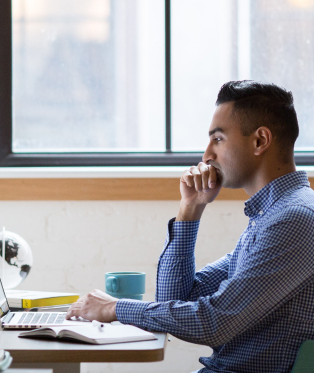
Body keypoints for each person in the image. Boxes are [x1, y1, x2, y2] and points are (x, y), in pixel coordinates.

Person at [66, 80, 314, 373]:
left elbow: (214, 323)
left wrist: (113, 308)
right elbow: (175, 299)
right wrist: (190, 209)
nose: (206, 155)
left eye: (218, 139)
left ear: (260, 140)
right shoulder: (271, 214)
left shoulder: (294, 219)